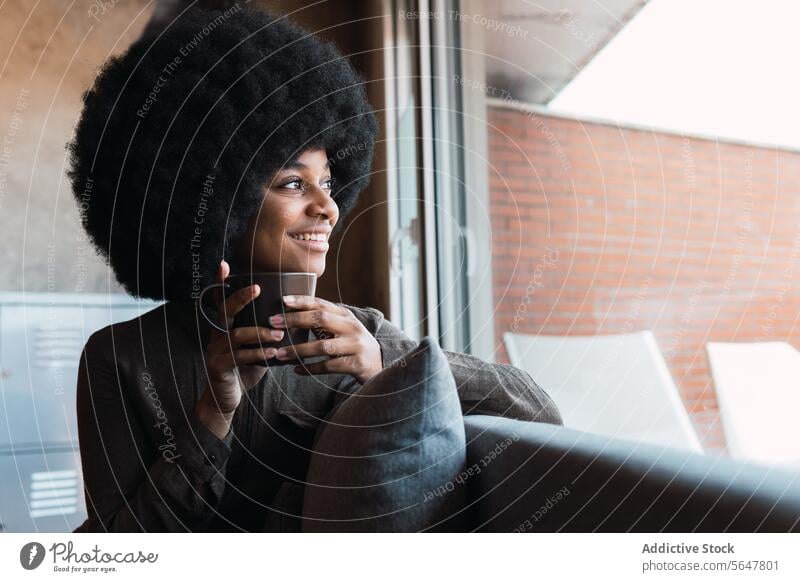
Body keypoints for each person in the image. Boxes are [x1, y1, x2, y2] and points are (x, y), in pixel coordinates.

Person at [67, 6, 562, 533]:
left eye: (328, 182)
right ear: (211, 199)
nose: (328, 207)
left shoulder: (361, 333)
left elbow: (539, 412)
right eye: (293, 183)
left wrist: (386, 363)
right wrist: (212, 414)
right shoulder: (121, 359)